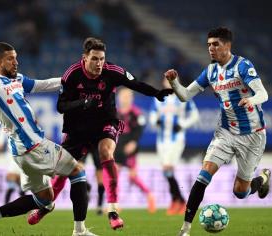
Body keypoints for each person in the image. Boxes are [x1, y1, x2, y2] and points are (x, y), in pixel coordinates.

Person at [27, 37, 173, 230]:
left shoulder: (112, 71)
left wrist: (156, 93)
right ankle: (46, 207)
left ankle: (112, 210)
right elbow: (61, 106)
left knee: (106, 152)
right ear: (84, 58)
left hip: (106, 123)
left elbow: (135, 84)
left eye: (102, 59)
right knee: (63, 170)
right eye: (94, 59)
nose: (99, 63)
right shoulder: (72, 74)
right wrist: (84, 103)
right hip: (78, 129)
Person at [0, 42, 97, 236]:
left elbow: (42, 84)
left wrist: (69, 78)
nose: (16, 62)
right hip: (33, 146)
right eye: (10, 59)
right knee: (77, 172)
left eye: (16, 57)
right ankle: (79, 231)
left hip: (22, 153)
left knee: (45, 200)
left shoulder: (18, 80)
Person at [164, 27, 271, 236]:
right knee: (203, 176)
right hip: (226, 133)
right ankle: (185, 229)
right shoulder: (211, 71)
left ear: (227, 46)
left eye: (216, 44)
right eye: (209, 45)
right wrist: (174, 83)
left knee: (240, 192)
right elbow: (185, 95)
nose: (211, 49)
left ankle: (263, 179)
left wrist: (251, 99)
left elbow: (263, 94)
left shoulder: (242, 66)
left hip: (253, 136)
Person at [150, 77, 199, 216]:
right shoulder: (159, 97)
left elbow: (195, 115)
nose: (168, 83)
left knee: (168, 168)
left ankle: (177, 201)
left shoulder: (183, 96)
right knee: (166, 171)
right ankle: (179, 200)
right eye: (166, 80)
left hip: (176, 139)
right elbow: (153, 115)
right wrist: (156, 121)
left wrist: (183, 124)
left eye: (171, 80)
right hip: (161, 139)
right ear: (163, 83)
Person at [115, 87, 156, 213]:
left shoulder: (136, 113)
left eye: (127, 96)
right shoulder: (115, 112)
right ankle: (115, 204)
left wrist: (133, 142)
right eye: (123, 96)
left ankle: (149, 195)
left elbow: (139, 130)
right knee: (115, 175)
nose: (125, 99)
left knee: (132, 177)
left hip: (130, 147)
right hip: (118, 147)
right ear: (119, 97)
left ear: (131, 98)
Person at [0, 127, 25, 204]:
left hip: (21, 156)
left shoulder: (5, 126)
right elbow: (0, 144)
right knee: (14, 183)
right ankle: (5, 207)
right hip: (14, 157)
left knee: (21, 185)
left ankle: (7, 207)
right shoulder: (4, 127)